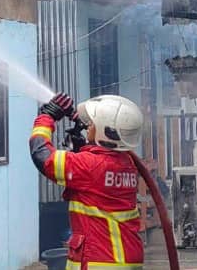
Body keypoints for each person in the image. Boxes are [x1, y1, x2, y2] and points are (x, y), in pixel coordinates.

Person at [30, 93, 145, 270]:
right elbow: (94, 182)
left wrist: (46, 118)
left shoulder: (90, 166)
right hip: (123, 258)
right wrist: (81, 146)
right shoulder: (126, 163)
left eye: (92, 123)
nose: (88, 125)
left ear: (105, 131)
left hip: (101, 260)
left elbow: (42, 157)